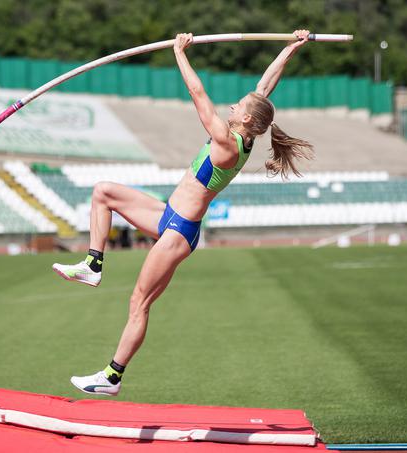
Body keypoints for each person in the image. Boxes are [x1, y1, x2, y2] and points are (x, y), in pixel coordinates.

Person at [52, 30, 315, 396]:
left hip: (179, 231)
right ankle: (93, 265)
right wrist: (291, 47)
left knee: (138, 303)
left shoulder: (227, 141)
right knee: (103, 192)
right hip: (167, 214)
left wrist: (179, 52)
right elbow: (265, 85)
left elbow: (198, 95)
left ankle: (112, 377)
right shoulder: (247, 130)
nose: (232, 107)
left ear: (245, 121)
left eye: (238, 107)